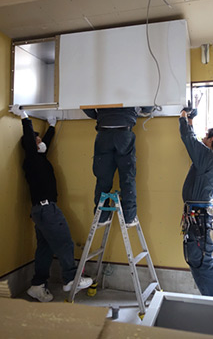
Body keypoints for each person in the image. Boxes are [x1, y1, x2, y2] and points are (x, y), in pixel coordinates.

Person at [9, 105, 92, 302]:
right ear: (32, 145)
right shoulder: (32, 159)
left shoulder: (39, 158)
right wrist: (24, 116)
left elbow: (43, 143)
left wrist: (52, 126)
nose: (40, 142)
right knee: (64, 242)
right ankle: (71, 278)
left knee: (45, 249)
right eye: (37, 141)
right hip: (47, 210)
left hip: (41, 211)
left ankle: (37, 285)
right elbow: (31, 140)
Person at [179, 108, 213, 297]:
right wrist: (191, 121)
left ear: (212, 141)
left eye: (207, 135)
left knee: (201, 260)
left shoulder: (208, 157)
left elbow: (189, 141)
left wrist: (183, 117)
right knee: (198, 258)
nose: (204, 137)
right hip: (198, 215)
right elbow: (196, 144)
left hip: (198, 216)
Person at [83, 106, 153, 226]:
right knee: (127, 176)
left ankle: (102, 217)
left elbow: (87, 106)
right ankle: (129, 217)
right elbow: (148, 107)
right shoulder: (134, 86)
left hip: (103, 132)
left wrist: (101, 116)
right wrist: (139, 111)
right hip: (124, 132)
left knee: (103, 177)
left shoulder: (98, 86)